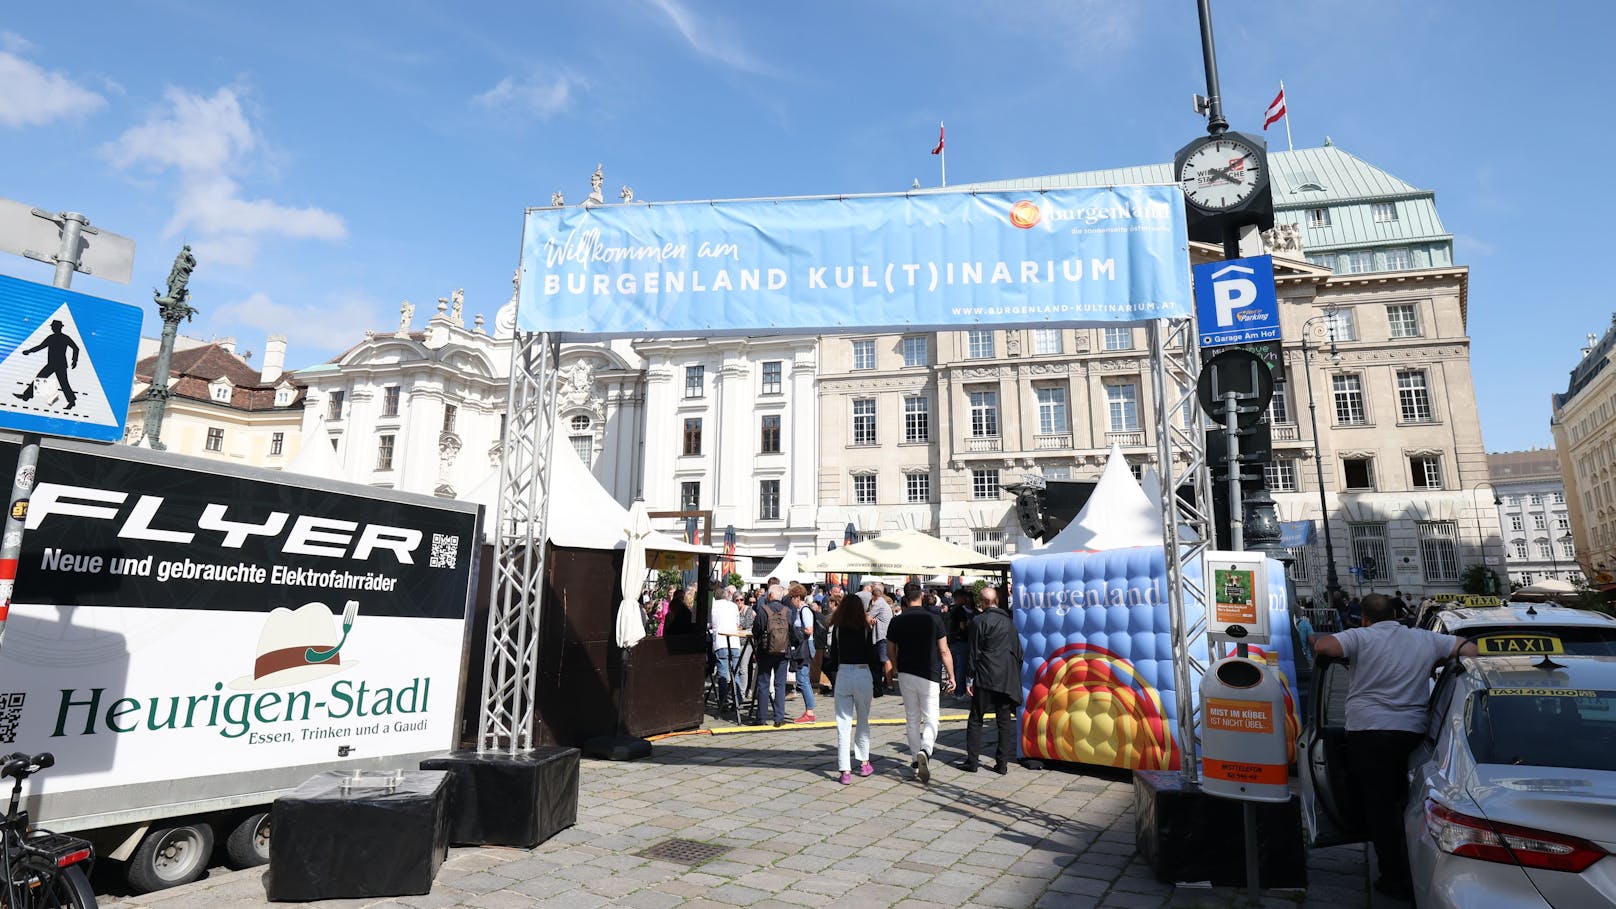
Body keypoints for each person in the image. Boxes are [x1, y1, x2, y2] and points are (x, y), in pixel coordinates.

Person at [1312, 593, 1477, 900]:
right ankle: (1414, 861)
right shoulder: (1424, 639)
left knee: (1378, 806)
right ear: (1397, 615)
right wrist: (1439, 661)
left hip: (1368, 732)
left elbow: (1324, 646)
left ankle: (1393, 876)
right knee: (1407, 801)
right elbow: (1469, 648)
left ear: (1364, 617)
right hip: (1411, 732)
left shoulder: (1361, 637)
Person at [885, 584, 954, 783]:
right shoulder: (934, 619)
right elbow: (944, 651)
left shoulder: (897, 621)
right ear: (922, 596)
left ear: (905, 599)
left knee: (912, 718)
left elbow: (890, 649)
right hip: (929, 673)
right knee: (932, 717)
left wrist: (896, 667)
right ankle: (926, 748)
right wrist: (952, 675)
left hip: (906, 672)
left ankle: (916, 759)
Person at [958, 587, 1023, 775]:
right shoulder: (1009, 622)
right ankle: (1002, 764)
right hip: (1005, 677)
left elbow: (974, 651)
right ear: (996, 601)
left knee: (976, 718)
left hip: (985, 675)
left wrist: (969, 677)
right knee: (1003, 720)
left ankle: (972, 761)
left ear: (984, 602)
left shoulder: (979, 621)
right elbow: (1018, 651)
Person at [827, 591, 877, 784]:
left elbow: (832, 657)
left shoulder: (837, 628)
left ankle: (845, 769)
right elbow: (872, 656)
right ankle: (864, 762)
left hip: (844, 673)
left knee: (843, 723)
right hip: (863, 672)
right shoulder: (866, 628)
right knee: (863, 720)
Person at [751, 584, 801, 727]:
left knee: (763, 684)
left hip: (765, 652)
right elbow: (793, 632)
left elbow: (756, 631)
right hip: (783, 653)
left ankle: (761, 718)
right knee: (780, 685)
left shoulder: (762, 610)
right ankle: (779, 718)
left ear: (771, 595)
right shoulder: (788, 611)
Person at [14, 320, 79, 410]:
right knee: (40, 378)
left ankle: (71, 402)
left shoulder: (63, 338)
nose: (52, 328)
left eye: (53, 326)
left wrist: (74, 360)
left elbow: (76, 348)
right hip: (53, 364)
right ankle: (26, 396)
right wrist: (29, 351)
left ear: (58, 327)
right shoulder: (53, 337)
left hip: (59, 365)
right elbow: (41, 346)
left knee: (63, 383)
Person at [709, 586, 744, 712]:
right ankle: (738, 699)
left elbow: (710, 623)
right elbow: (737, 624)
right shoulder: (733, 606)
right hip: (734, 641)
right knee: (735, 672)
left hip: (721, 641)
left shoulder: (713, 606)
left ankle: (724, 701)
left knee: (723, 673)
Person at [789, 583, 818, 723]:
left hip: (805, 647)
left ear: (797, 597)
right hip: (804, 646)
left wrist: (795, 631)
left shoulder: (804, 611)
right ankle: (809, 711)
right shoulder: (800, 610)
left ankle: (810, 712)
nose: (791, 600)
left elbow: (809, 630)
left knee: (803, 680)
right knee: (803, 679)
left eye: (792, 597)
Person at [861, 582, 894, 696]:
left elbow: (867, 617)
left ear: (873, 596)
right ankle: (886, 684)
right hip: (883, 635)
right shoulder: (883, 603)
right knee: (880, 660)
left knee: (883, 659)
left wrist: (868, 617)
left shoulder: (879, 603)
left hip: (881, 636)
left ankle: (889, 684)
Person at [947, 587, 976, 701]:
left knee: (956, 666)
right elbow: (962, 626)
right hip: (961, 640)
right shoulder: (959, 610)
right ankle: (959, 692)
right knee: (961, 667)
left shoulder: (954, 609)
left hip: (954, 640)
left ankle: (956, 689)